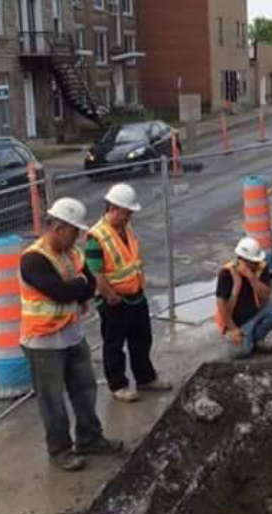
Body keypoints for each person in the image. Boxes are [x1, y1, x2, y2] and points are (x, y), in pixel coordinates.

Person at [19, 198, 123, 472]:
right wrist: (79, 284)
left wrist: (78, 285)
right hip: (43, 341)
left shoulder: (72, 253)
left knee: (85, 388)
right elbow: (61, 291)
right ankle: (60, 451)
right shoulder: (33, 259)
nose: (77, 236)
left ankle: (90, 438)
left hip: (72, 334)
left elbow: (89, 285)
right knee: (52, 399)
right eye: (73, 231)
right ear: (59, 228)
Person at [86, 184, 172, 403]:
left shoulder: (126, 228)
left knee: (142, 339)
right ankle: (118, 385)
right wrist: (109, 295)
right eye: (127, 212)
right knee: (114, 344)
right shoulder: (97, 236)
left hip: (135, 295)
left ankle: (145, 378)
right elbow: (96, 271)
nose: (129, 216)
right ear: (113, 208)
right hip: (114, 301)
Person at [215, 237, 272, 359]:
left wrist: (250, 276)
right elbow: (221, 304)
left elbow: (265, 294)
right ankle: (250, 341)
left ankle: (256, 339)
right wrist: (233, 329)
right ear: (242, 260)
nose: (257, 264)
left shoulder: (260, 267)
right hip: (237, 323)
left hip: (256, 312)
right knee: (240, 353)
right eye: (254, 262)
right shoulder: (226, 273)